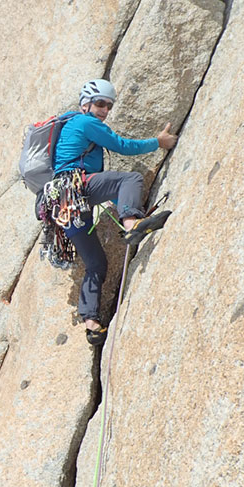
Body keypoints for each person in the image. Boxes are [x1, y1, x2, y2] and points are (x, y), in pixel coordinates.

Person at [48, 78, 177, 345]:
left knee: (96, 263)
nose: (105, 110)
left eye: (108, 105)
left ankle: (91, 322)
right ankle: (131, 225)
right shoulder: (85, 122)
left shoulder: (73, 125)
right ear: (86, 104)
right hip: (76, 188)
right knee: (129, 180)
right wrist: (159, 141)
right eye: (100, 104)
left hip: (64, 205)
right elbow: (122, 146)